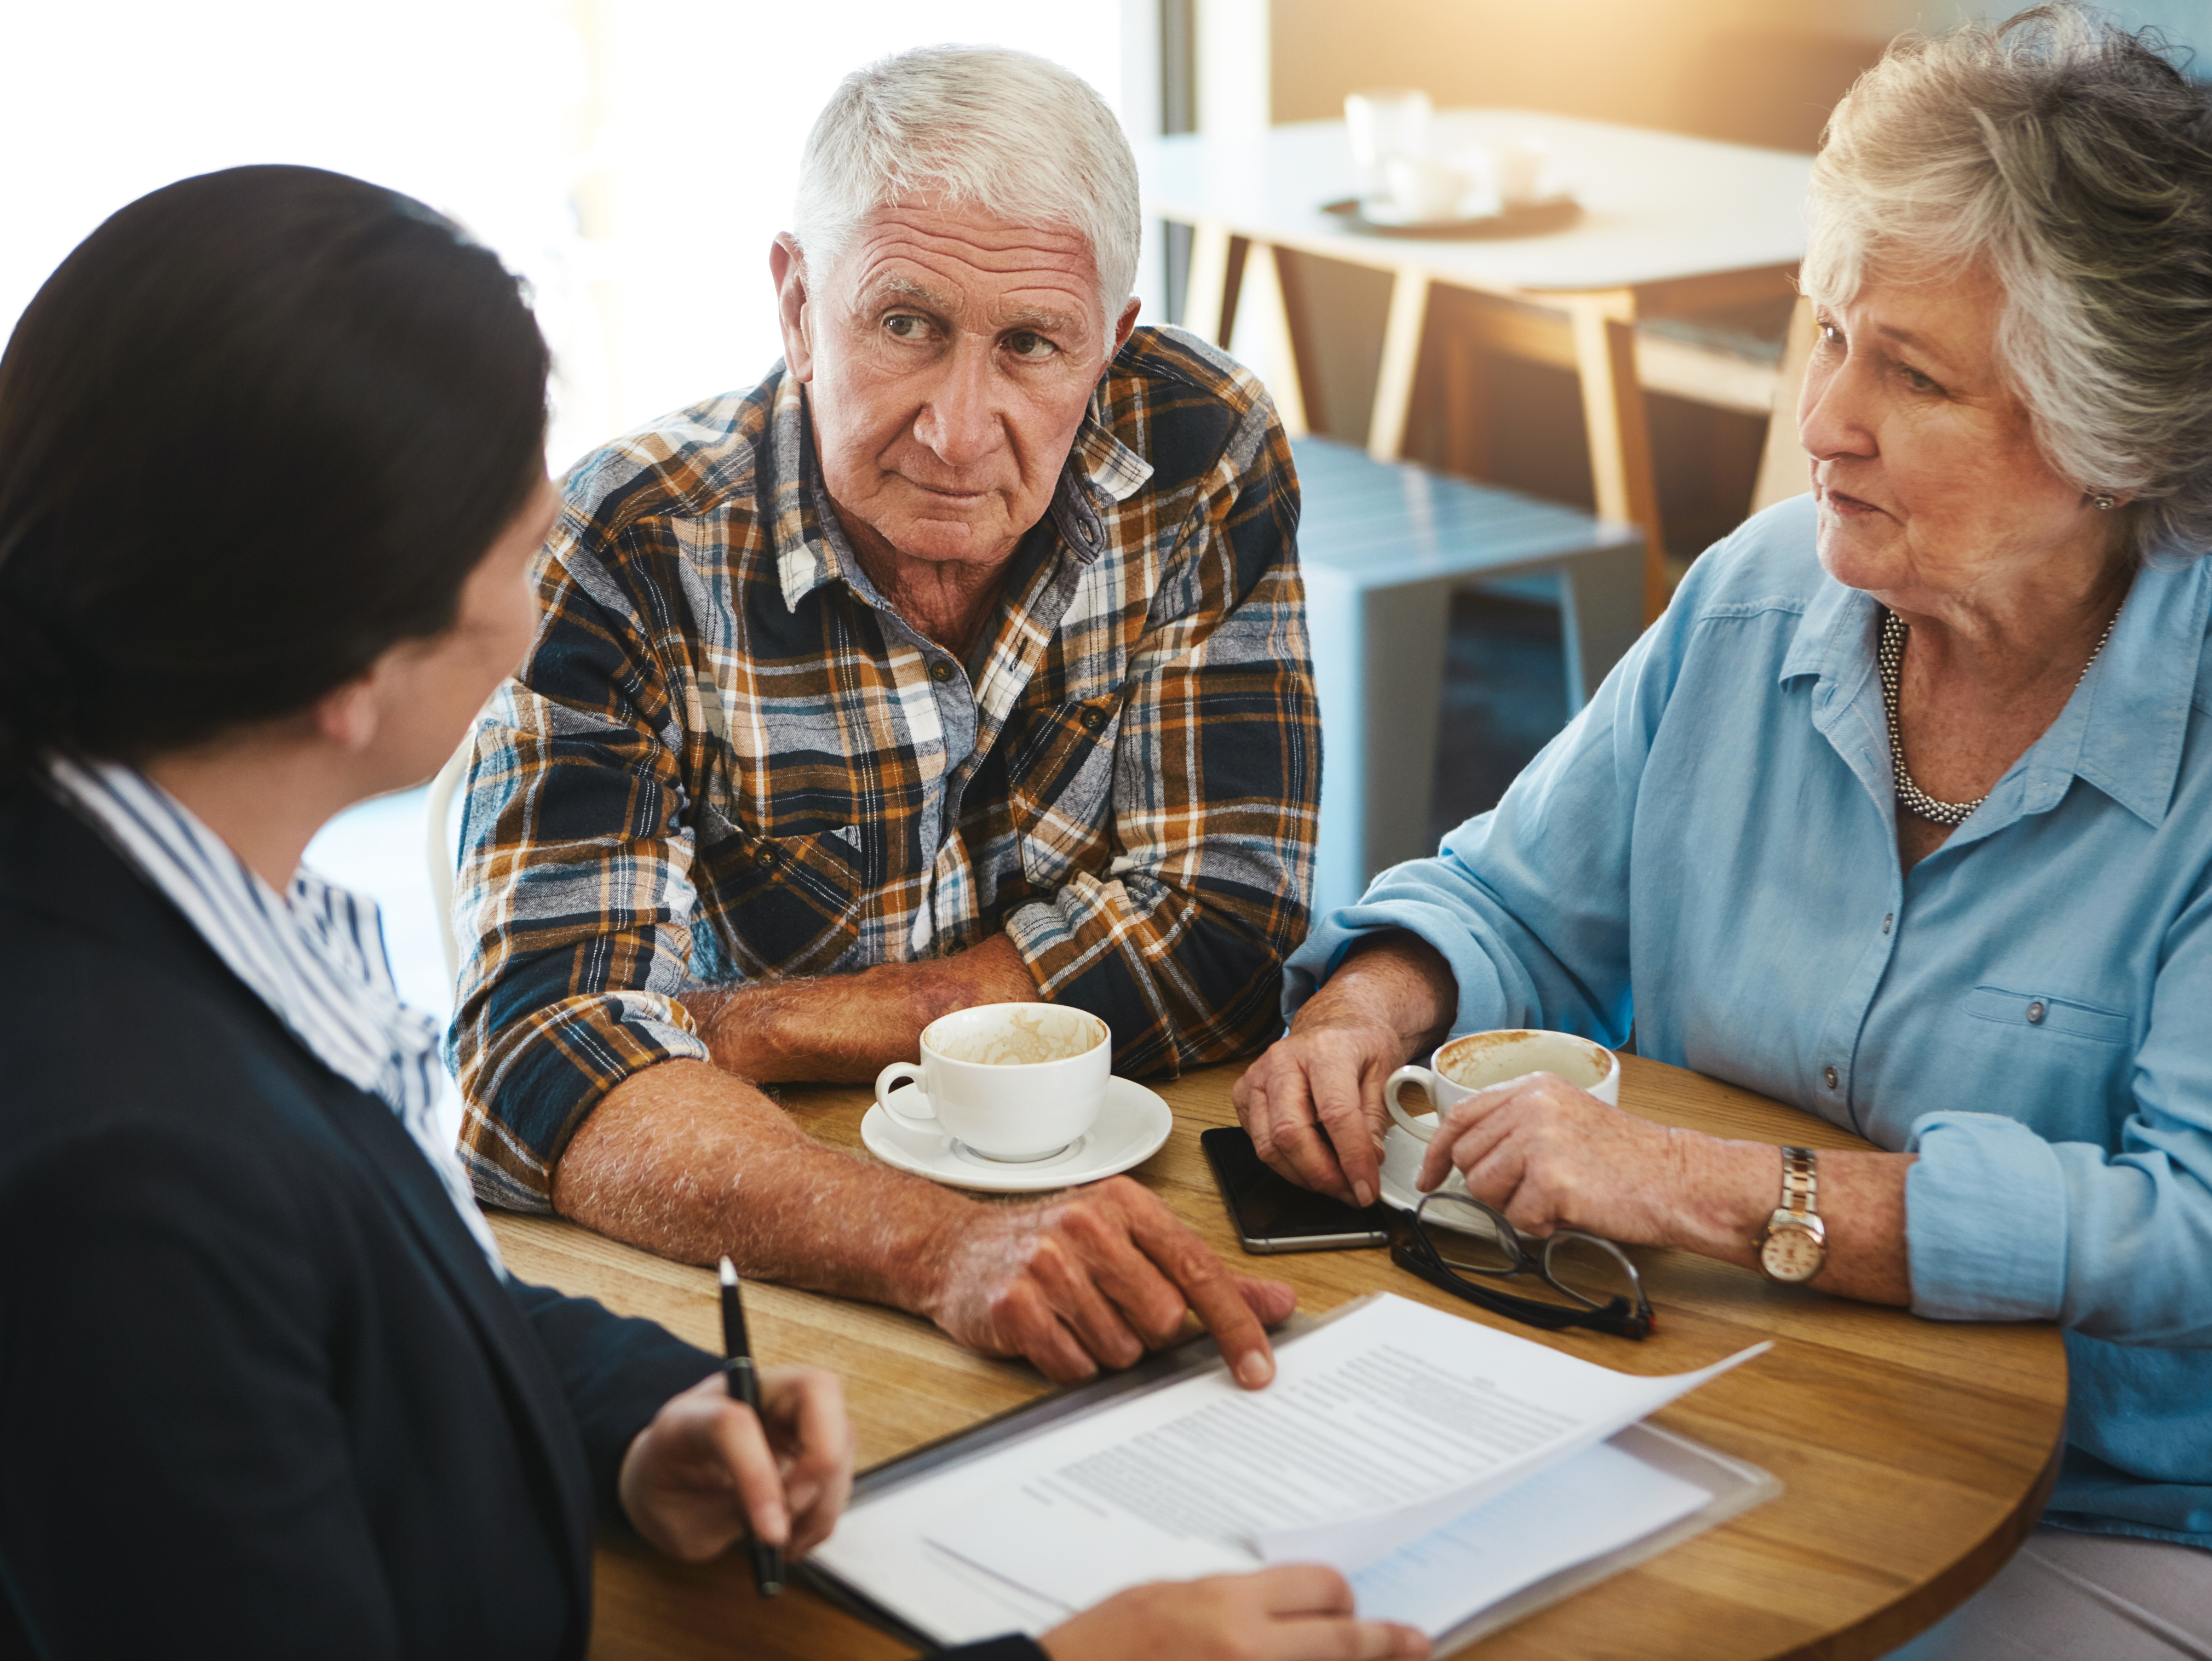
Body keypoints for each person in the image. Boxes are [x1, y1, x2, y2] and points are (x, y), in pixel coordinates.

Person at [0, 166, 1423, 1661]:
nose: (550, 518)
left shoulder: (162, 927)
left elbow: (375, 1325)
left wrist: (635, 1419)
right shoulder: (123, 1169)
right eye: (507, 502)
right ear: (346, 661)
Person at [1235, 8, 2212, 1656]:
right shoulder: (1760, 593)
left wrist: (1714, 1190)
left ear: (2111, 438)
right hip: (1716, 1408)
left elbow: (2207, 1229)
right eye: (1828, 332)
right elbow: (1516, 902)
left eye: (1907, 373)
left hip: (2114, 1510)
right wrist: (1374, 1003)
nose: (1822, 418)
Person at [447, 45, 1317, 1388]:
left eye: (1030, 345)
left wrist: (752, 1027)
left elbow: (1228, 917)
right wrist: (942, 1247)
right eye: (904, 323)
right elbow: (544, 1062)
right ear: (797, 304)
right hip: (748, 1223)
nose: (959, 432)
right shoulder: (624, 542)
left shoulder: (1198, 449)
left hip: (1106, 1189)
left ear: (1113, 346)